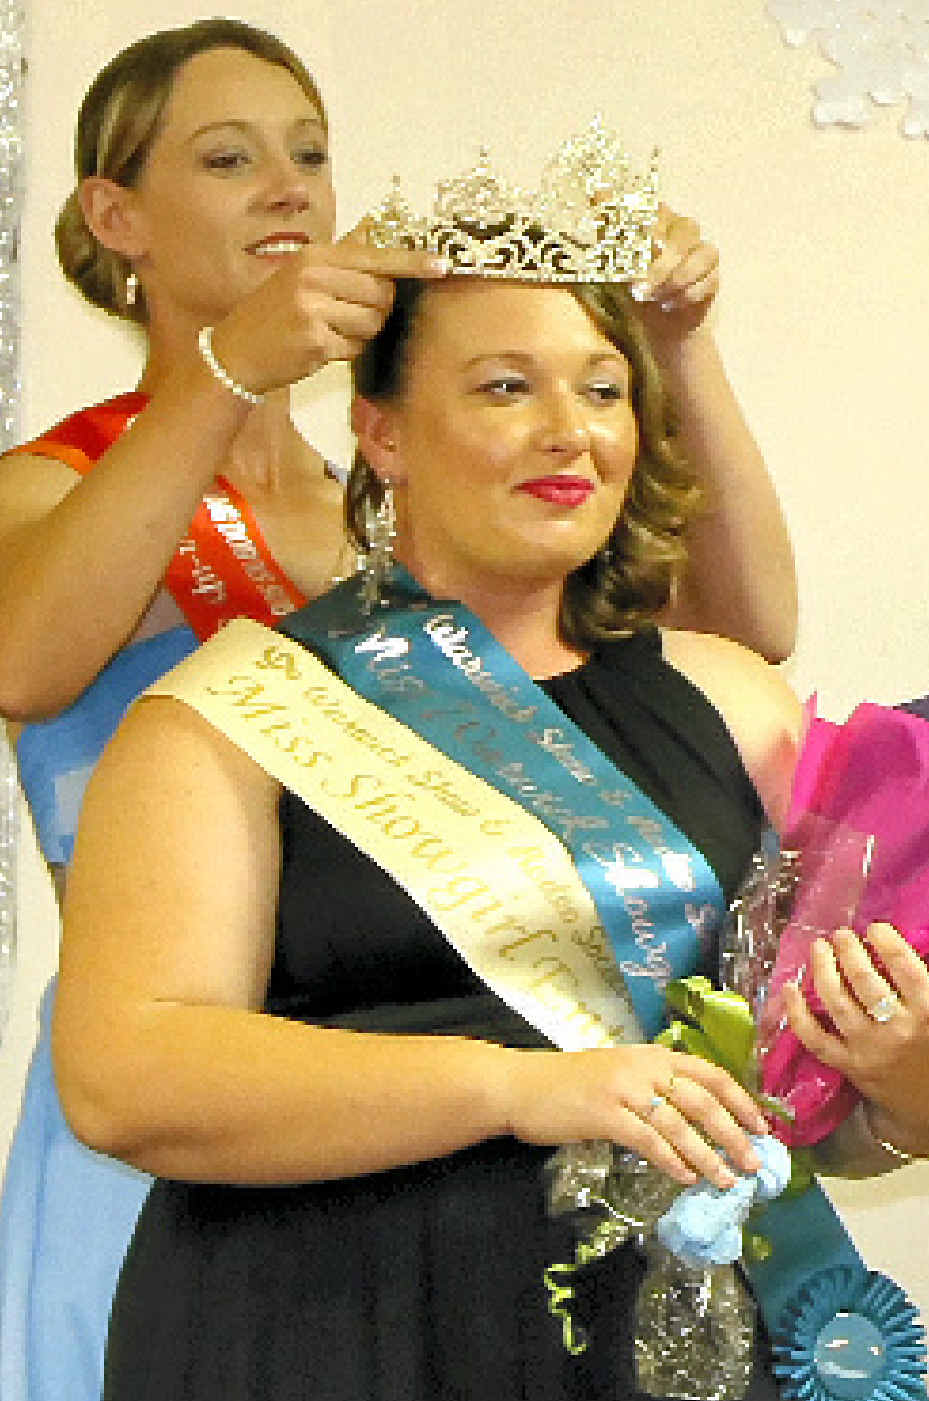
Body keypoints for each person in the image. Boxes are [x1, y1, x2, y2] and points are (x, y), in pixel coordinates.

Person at [0, 19, 793, 1395]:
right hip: (213, 1071)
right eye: (230, 157)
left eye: (310, 153)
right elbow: (23, 661)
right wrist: (228, 374)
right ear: (113, 214)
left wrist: (671, 349)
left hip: (513, 1133)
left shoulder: (385, 496)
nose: (292, 191)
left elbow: (735, 644)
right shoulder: (59, 487)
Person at [52, 269, 929, 1401]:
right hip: (325, 1327)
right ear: (381, 433)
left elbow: (817, 1119)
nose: (569, 433)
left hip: (658, 1342)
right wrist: (516, 1089)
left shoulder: (737, 706)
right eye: (506, 387)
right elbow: (126, 1074)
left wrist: (916, 1089)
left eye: (603, 390)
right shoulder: (233, 713)